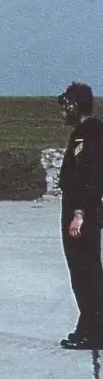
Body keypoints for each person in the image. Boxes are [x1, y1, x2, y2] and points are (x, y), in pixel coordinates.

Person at [57, 82, 103, 350]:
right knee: (82, 272)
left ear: (77, 106)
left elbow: (91, 177)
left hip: (83, 213)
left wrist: (80, 213)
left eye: (66, 106)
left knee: (87, 272)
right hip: (78, 210)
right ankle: (87, 325)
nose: (63, 111)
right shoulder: (82, 133)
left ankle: (94, 332)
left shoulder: (92, 134)